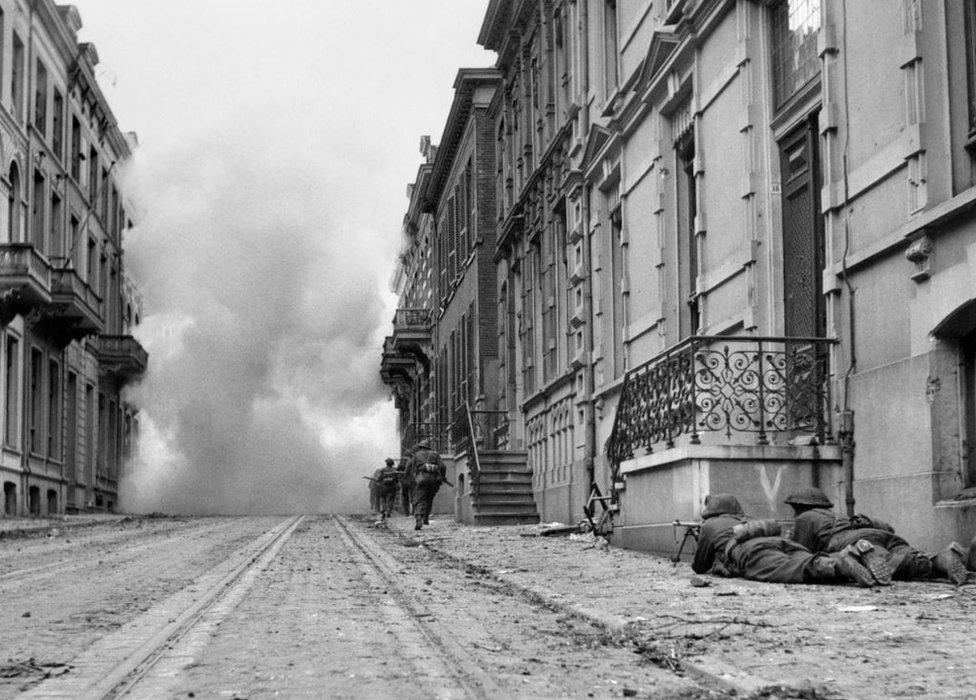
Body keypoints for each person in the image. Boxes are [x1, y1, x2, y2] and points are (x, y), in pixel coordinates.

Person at [785, 486, 969, 585]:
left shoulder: (806, 518)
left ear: (799, 507)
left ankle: (870, 555)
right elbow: (889, 528)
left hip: (856, 542)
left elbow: (799, 553)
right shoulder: (844, 516)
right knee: (914, 558)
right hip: (882, 535)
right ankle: (941, 558)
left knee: (888, 562)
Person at [691, 493, 883, 587]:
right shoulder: (744, 520)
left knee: (788, 568)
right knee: (803, 557)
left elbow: (699, 566)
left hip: (748, 550)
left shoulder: (710, 525)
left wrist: (703, 536)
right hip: (777, 541)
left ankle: (839, 565)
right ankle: (850, 553)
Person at [404, 439, 446, 531]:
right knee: (429, 498)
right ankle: (426, 518)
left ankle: (419, 519)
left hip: (422, 478)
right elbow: (442, 467)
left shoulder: (416, 455)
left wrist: (413, 479)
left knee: (419, 499)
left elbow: (411, 468)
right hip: (434, 479)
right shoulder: (435, 454)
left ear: (421, 447)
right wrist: (443, 477)